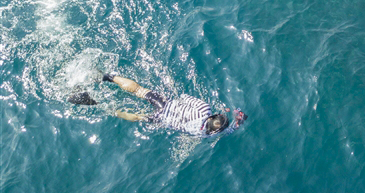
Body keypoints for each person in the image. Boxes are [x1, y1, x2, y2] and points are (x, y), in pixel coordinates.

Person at [69, 72, 247, 138]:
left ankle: (106, 77)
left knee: (139, 90)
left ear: (214, 116)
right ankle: (97, 104)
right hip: (162, 119)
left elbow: (184, 97)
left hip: (165, 105)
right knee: (138, 117)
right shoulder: (204, 134)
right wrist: (238, 122)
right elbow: (227, 130)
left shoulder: (204, 109)